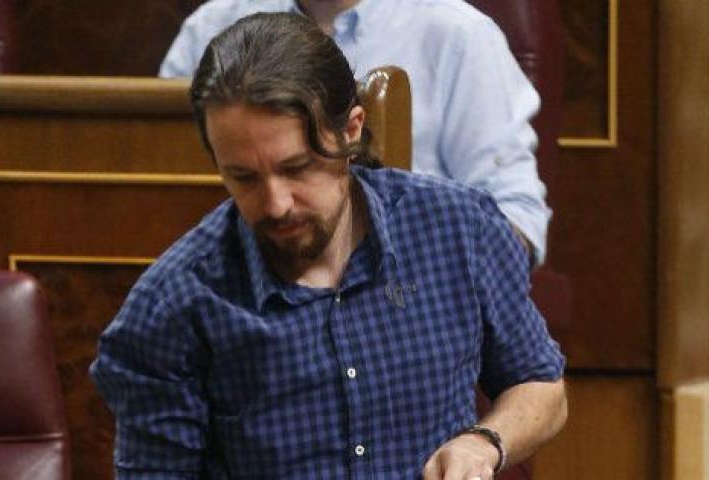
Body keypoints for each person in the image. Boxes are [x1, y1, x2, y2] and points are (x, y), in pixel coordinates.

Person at [91, 13, 566, 479]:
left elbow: (541, 386)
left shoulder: (457, 227)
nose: (276, 204)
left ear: (351, 130)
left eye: (297, 168)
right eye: (244, 177)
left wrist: (484, 442)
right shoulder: (173, 304)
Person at [159, 0, 552, 266]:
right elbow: (152, 178)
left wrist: (426, 284)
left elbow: (517, 218)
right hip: (234, 299)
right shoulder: (210, 29)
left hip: (401, 298)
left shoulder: (457, 35)